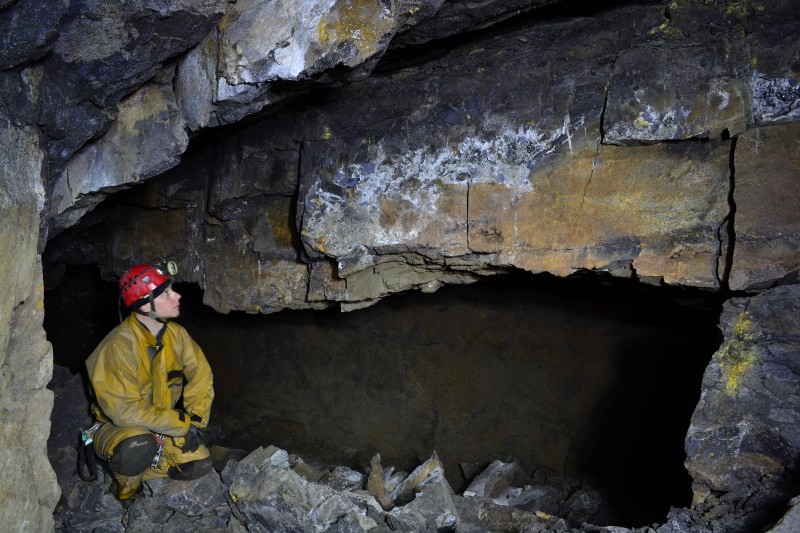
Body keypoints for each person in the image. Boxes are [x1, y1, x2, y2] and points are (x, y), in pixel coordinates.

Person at [84, 261, 214, 502]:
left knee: (198, 464)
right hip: (119, 427)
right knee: (137, 445)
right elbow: (124, 411)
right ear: (144, 304)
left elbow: (201, 377)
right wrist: (180, 426)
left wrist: (195, 420)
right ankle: (126, 486)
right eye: (165, 293)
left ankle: (144, 470)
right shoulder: (117, 346)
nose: (176, 295)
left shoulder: (177, 336)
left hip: (162, 424)